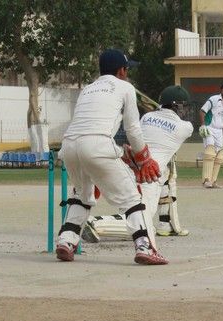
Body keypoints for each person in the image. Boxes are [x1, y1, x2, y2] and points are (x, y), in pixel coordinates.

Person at [54, 48, 163, 265]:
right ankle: (145, 247)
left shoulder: (87, 89)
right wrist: (144, 157)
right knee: (132, 197)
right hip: (97, 145)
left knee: (82, 194)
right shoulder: (126, 87)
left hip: (69, 146)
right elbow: (133, 129)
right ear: (121, 70)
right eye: (127, 69)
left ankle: (66, 241)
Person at [82, 85, 195, 246]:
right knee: (143, 224)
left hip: (128, 168)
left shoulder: (146, 117)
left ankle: (166, 224)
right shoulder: (185, 127)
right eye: (184, 107)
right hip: (148, 175)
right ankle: (95, 222)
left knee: (166, 172)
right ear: (176, 106)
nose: (186, 111)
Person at [199, 83, 223, 188]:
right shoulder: (213, 99)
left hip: (219, 131)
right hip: (209, 127)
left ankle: (213, 181)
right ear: (221, 90)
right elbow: (202, 111)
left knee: (219, 157)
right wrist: (203, 125)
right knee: (210, 152)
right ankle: (206, 180)